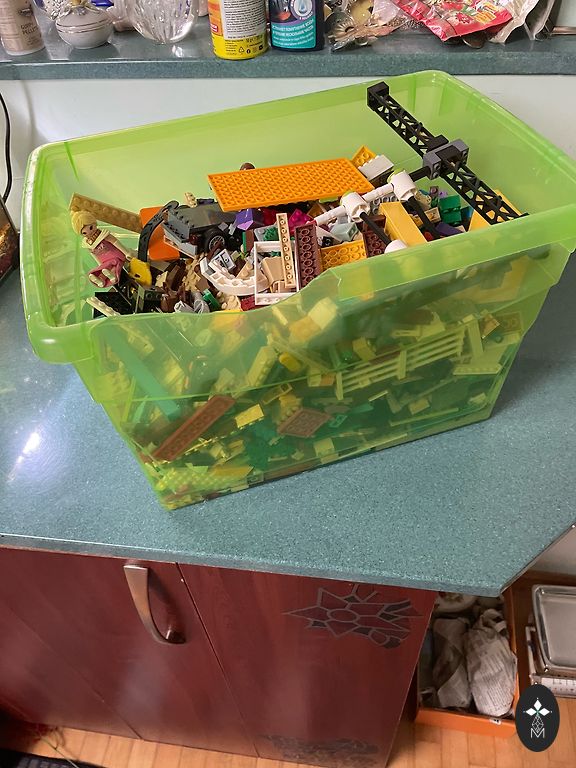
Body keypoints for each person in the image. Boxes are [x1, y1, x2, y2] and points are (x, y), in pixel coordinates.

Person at [70, 210, 127, 288]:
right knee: (104, 269)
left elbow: (116, 243)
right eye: (84, 233)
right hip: (104, 261)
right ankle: (101, 279)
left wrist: (126, 252)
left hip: (114, 255)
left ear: (94, 223)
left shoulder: (103, 235)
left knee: (115, 265)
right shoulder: (88, 244)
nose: (90, 232)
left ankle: (112, 276)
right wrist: (100, 265)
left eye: (91, 228)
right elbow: (93, 255)